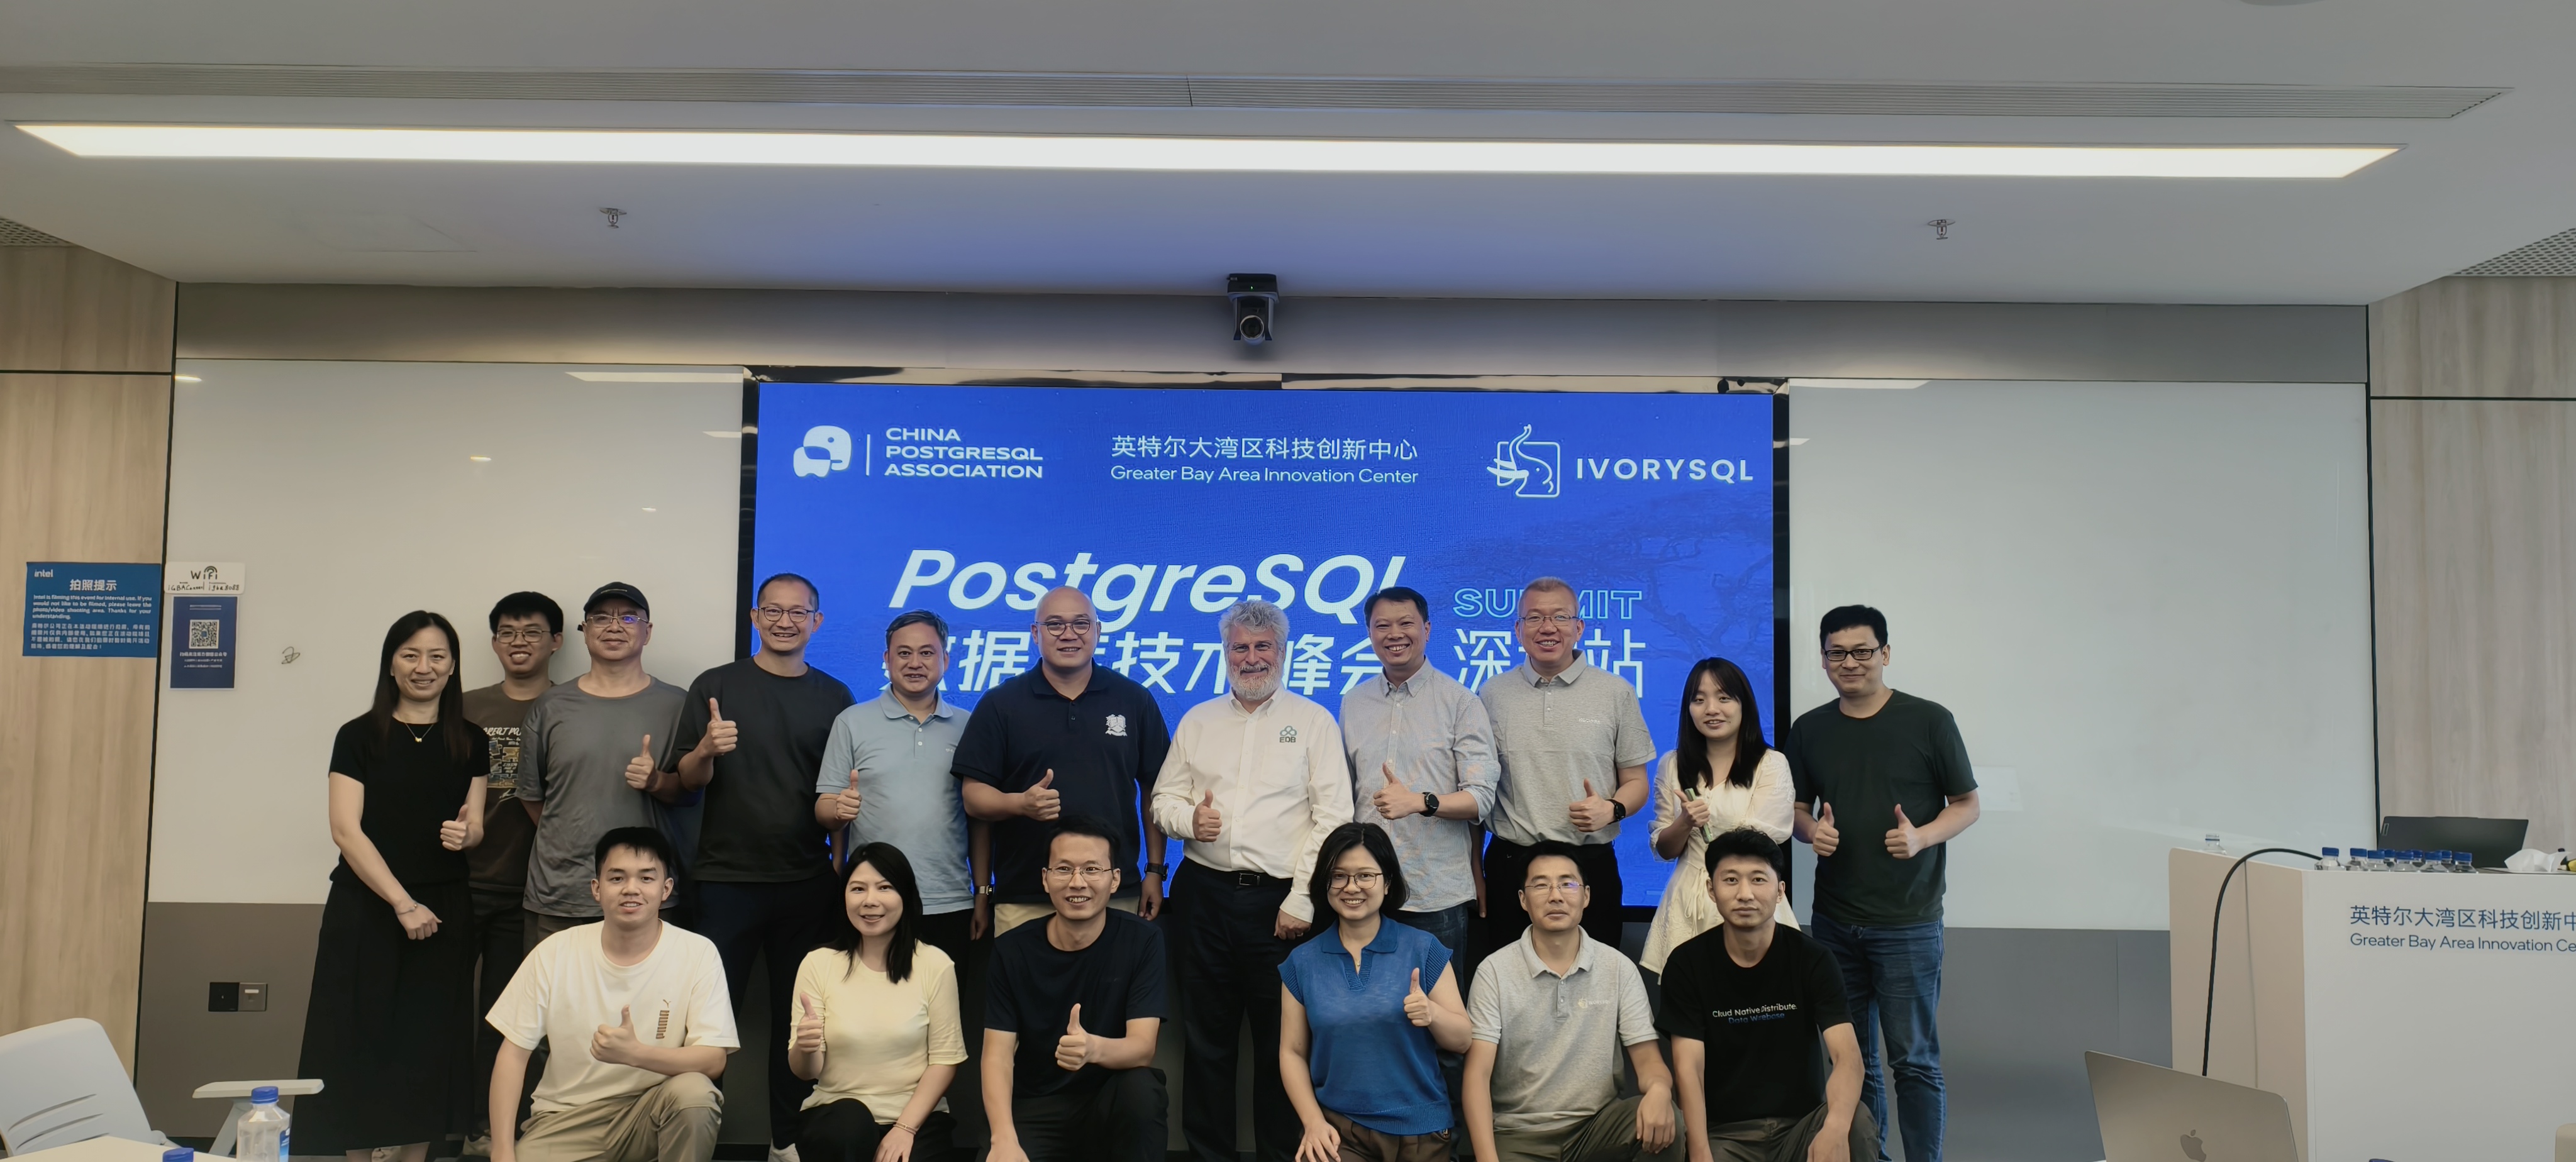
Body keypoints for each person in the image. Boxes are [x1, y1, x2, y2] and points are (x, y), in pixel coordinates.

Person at [1150, 599, 1355, 1162]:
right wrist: (1188, 820)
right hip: (1203, 897)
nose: (1251, 658)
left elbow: (1334, 818)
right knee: (1206, 1042)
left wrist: (1303, 898)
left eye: (1263, 647)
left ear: (1283, 652)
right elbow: (1162, 799)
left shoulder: (1313, 721)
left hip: (1281, 905)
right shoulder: (1198, 720)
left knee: (1282, 1044)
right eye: (1240, 647)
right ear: (1225, 653)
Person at [668, 572, 858, 1161]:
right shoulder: (715, 686)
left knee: (799, 1022)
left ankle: (786, 1143)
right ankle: (692, 1140)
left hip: (806, 883)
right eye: (772, 611)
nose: (784, 622)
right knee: (708, 1022)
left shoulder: (836, 697)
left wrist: (840, 864)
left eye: (798, 613)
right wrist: (706, 750)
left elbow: (840, 795)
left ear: (816, 622)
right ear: (754, 618)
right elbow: (683, 783)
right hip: (724, 882)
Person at [294, 611, 491, 1161]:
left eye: (437, 656)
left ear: (452, 666)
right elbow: (345, 830)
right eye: (411, 655)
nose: (424, 667)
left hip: (445, 906)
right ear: (391, 664)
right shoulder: (358, 735)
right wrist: (403, 903)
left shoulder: (471, 739)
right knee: (357, 1034)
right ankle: (358, 1157)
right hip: (368, 905)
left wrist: (468, 834)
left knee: (429, 1043)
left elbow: (476, 822)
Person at [1787, 606, 1977, 1162]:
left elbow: (1967, 804)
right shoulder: (1810, 729)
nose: (1850, 662)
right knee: (1853, 1062)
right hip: (1834, 922)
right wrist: (1812, 832)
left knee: (1914, 1061)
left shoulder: (1930, 720)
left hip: (1908, 923)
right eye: (1837, 653)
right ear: (1824, 660)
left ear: (1885, 654)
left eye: (1862, 651)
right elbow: (1795, 810)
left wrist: (1922, 838)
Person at [487, 827, 739, 1162]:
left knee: (695, 1095)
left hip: (651, 1111)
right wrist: (501, 1151)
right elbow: (513, 1054)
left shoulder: (697, 952)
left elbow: (712, 1060)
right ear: (597, 888)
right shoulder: (555, 951)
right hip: (567, 1120)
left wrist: (635, 1054)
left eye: (646, 878)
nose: (631, 889)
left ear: (666, 889)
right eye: (617, 878)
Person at [955, 587, 1171, 936]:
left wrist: (1155, 871)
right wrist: (1020, 804)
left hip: (1114, 891)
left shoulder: (1134, 700)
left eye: (1081, 624)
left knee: (1115, 973)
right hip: (1025, 894)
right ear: (1035, 633)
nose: (1069, 634)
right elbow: (973, 797)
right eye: (1055, 625)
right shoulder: (1001, 704)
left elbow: (1155, 790)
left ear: (1098, 631)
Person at [1658, 829, 1874, 1162]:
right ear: (1711, 890)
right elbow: (1690, 1070)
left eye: (1758, 880)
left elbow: (1847, 1058)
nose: (1745, 894)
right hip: (1725, 1136)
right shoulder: (1687, 964)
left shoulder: (1812, 958)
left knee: (1854, 1121)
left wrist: (1834, 1128)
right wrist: (1700, 1153)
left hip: (1800, 1129)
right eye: (1731, 880)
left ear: (1780, 891)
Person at [1465, 842, 1677, 1162]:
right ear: (1523, 899)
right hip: (1519, 1135)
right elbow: (1477, 1075)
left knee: (1668, 1119)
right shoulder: (1494, 972)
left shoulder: (1618, 968)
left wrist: (1660, 1090)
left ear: (1586, 896)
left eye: (1568, 884)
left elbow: (1649, 1062)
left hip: (1597, 1128)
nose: (1556, 896)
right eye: (1541, 885)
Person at [1478, 578, 1655, 950]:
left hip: (1589, 863)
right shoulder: (1492, 694)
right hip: (1512, 864)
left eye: (1560, 617)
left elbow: (1637, 782)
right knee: (1509, 979)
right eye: (1534, 618)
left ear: (1579, 627)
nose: (1548, 628)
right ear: (1518, 630)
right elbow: (1478, 786)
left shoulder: (1616, 692)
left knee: (1597, 976)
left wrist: (1612, 809)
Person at [980, 816, 1169, 1162]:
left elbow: (1143, 1048)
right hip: (1037, 1104)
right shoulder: (1012, 949)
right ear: (1045, 878)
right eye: (1064, 869)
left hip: (1109, 1102)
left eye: (1092, 869)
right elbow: (997, 1055)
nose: (1077, 882)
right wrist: (1002, 1138)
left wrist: (1092, 1048)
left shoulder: (1142, 941)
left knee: (1143, 1089)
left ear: (1115, 879)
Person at [1279, 823, 1470, 1162]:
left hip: (1420, 1128)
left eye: (1366, 876)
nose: (1352, 887)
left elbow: (1462, 1040)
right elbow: (1292, 1052)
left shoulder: (1424, 948)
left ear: (1388, 882)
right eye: (1339, 876)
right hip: (1339, 1130)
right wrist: (1313, 1122)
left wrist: (1433, 1014)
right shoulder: (1302, 961)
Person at [519, 583, 690, 949]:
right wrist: (569, 835)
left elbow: (691, 793)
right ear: (585, 631)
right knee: (555, 988)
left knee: (645, 988)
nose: (614, 626)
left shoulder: (678, 706)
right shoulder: (550, 706)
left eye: (628, 618)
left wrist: (657, 781)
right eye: (600, 618)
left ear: (648, 632)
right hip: (561, 891)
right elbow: (532, 797)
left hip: (646, 894)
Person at [819, 609, 987, 967]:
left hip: (950, 900)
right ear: (887, 659)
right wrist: (838, 809)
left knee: (944, 1001)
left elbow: (978, 820)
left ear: (945, 659)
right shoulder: (851, 722)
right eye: (904, 653)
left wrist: (982, 893)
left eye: (927, 653)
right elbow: (825, 808)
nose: (915, 663)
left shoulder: (970, 726)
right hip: (873, 901)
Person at [1342, 585, 1496, 954]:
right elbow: (1344, 793)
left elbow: (1481, 799)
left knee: (1438, 993)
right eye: (1382, 626)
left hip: (1434, 894)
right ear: (1370, 633)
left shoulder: (1461, 702)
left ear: (1427, 629)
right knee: (1365, 992)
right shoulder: (1354, 702)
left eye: (1406, 623)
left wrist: (1420, 802)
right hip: (1363, 891)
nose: (1394, 634)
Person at [788, 843, 965, 1162]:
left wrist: (905, 1128)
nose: (870, 900)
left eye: (885, 887)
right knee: (850, 1126)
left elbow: (945, 1061)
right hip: (836, 1118)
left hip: (916, 1119)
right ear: (844, 897)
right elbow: (807, 1072)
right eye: (858, 889)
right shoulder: (818, 963)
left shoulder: (935, 964)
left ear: (905, 895)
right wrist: (805, 1046)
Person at [463, 591, 563, 1154]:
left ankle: (489, 1128)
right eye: (507, 632)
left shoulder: (572, 704)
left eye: (532, 631)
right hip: (458, 883)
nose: (518, 642)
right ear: (494, 642)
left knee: (505, 1018)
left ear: (557, 641)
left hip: (531, 891)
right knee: (442, 1010)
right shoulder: (463, 707)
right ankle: (438, 1126)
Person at [1640, 658, 1796, 977]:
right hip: (1686, 901)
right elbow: (1665, 849)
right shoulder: (1672, 764)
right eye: (1699, 700)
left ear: (1743, 704)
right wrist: (1685, 822)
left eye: (1724, 698)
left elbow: (1765, 842)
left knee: (1758, 994)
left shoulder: (1771, 764)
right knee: (1688, 995)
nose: (1711, 709)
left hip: (1748, 898)